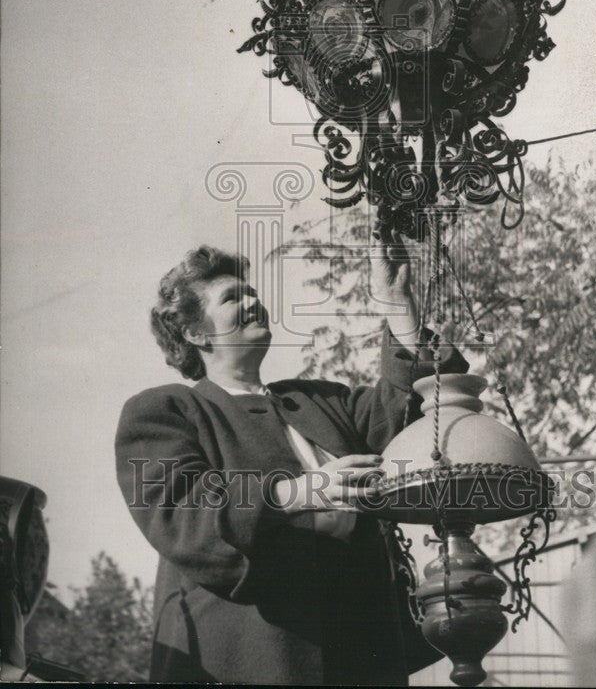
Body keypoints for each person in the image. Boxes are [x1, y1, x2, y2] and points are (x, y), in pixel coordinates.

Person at [115, 239, 468, 685]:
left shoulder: (320, 401)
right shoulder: (166, 411)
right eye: (232, 297)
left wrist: (399, 307)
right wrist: (297, 491)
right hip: (250, 657)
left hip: (359, 650)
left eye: (253, 294)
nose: (253, 302)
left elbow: (418, 412)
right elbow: (182, 514)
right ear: (194, 333)